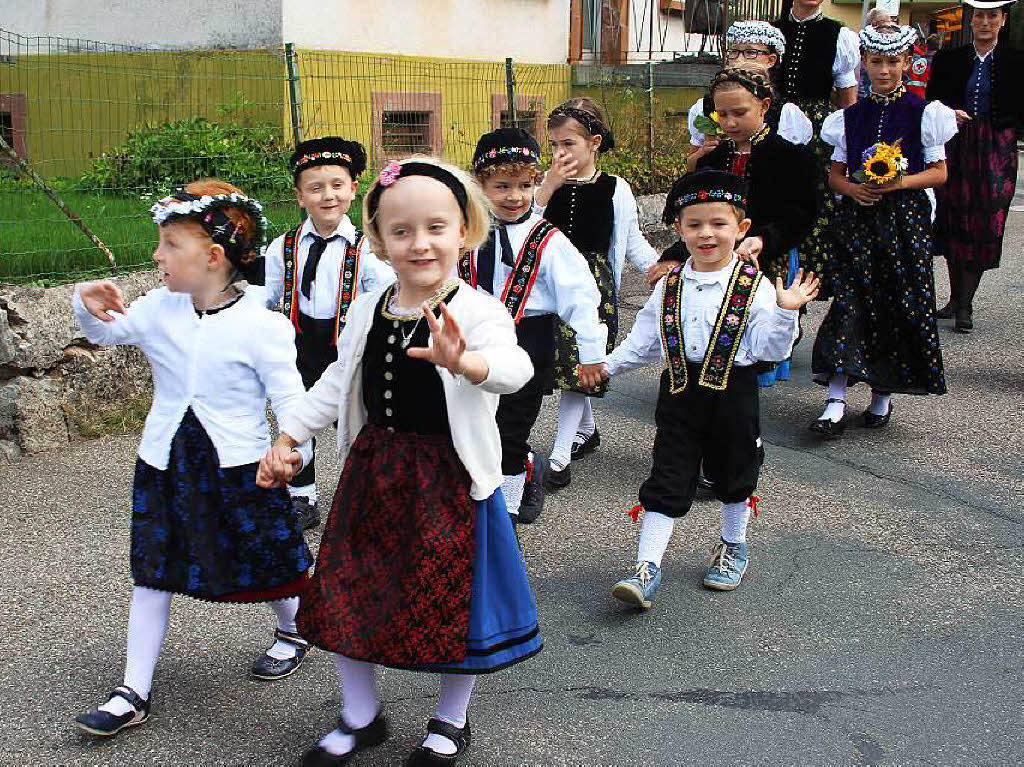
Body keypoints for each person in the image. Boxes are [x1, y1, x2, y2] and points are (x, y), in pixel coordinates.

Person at [257, 158, 542, 766]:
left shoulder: (480, 311)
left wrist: (466, 363)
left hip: (452, 479)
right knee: (347, 595)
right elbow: (337, 382)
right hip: (376, 471)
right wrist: (290, 435)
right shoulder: (367, 308)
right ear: (379, 241)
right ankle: (361, 716)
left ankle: (450, 719)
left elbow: (517, 371)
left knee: (453, 600)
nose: (420, 243)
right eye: (401, 230)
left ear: (464, 230)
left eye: (436, 227)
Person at [71, 180, 316, 737]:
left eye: (169, 245)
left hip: (241, 464)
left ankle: (294, 628)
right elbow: (108, 333)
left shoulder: (263, 325)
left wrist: (289, 449)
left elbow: (292, 401)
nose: (157, 256)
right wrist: (85, 305)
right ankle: (133, 689)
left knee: (270, 560)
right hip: (165, 462)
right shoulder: (159, 308)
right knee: (151, 569)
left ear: (213, 256)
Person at [602, 170, 818, 606]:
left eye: (718, 225)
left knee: (735, 472)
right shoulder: (669, 285)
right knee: (667, 475)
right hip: (679, 393)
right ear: (679, 229)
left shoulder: (753, 287)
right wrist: (604, 367)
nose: (706, 234)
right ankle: (646, 568)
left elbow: (768, 352)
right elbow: (645, 344)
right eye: (695, 224)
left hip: (733, 395)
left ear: (740, 230)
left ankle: (733, 545)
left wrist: (786, 311)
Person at [810, 23, 956, 437]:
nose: (885, 71)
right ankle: (835, 399)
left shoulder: (924, 113)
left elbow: (939, 173)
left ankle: (881, 396)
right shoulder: (848, 118)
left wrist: (899, 183)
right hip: (859, 222)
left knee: (894, 304)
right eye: (876, 62)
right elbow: (834, 175)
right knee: (850, 302)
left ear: (906, 63)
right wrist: (852, 188)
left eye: (893, 62)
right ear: (864, 64)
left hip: (903, 223)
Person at [464, 127, 606, 524]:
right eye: (502, 186)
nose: (515, 196)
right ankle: (511, 470)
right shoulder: (464, 232)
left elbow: (580, 298)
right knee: (473, 422)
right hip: (472, 340)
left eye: (526, 185)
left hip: (528, 339)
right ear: (480, 184)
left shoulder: (549, 240)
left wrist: (592, 354)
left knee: (510, 424)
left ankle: (508, 503)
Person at [263, 137, 395, 528]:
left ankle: (365, 494)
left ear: (353, 189)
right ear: (300, 195)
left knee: (356, 423)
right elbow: (267, 297)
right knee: (296, 416)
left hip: (348, 348)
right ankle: (303, 497)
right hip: (298, 345)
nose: (328, 196)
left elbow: (384, 299)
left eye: (337, 185)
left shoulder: (368, 249)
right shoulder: (282, 247)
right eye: (316, 187)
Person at [534, 97, 661, 489]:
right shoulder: (546, 186)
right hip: (550, 286)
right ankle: (586, 431)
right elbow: (524, 226)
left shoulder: (614, 188)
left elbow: (630, 240)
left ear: (595, 142)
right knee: (564, 365)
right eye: (554, 145)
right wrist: (547, 186)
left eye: (568, 143)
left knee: (580, 363)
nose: (559, 152)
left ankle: (559, 453)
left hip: (593, 287)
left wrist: (659, 268)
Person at [927, 0, 1023, 333]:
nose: (985, 22)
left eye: (992, 16)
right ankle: (956, 299)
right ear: (971, 21)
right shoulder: (950, 59)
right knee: (953, 216)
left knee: (986, 219)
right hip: (956, 143)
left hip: (997, 146)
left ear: (1003, 20)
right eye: (980, 16)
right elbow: (932, 101)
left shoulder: (1015, 60)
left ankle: (966, 302)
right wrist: (947, 113)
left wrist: (1009, 129)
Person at [773, 0, 862, 297]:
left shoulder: (839, 35)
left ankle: (801, 291)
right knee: (774, 200)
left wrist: (851, 148)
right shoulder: (773, 30)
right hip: (772, 120)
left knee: (811, 204)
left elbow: (848, 99)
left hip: (817, 131)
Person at [687, 20, 813, 161]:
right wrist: (703, 153)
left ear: (771, 60)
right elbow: (692, 166)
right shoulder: (705, 106)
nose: (739, 59)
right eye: (734, 51)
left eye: (750, 52)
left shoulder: (785, 112)